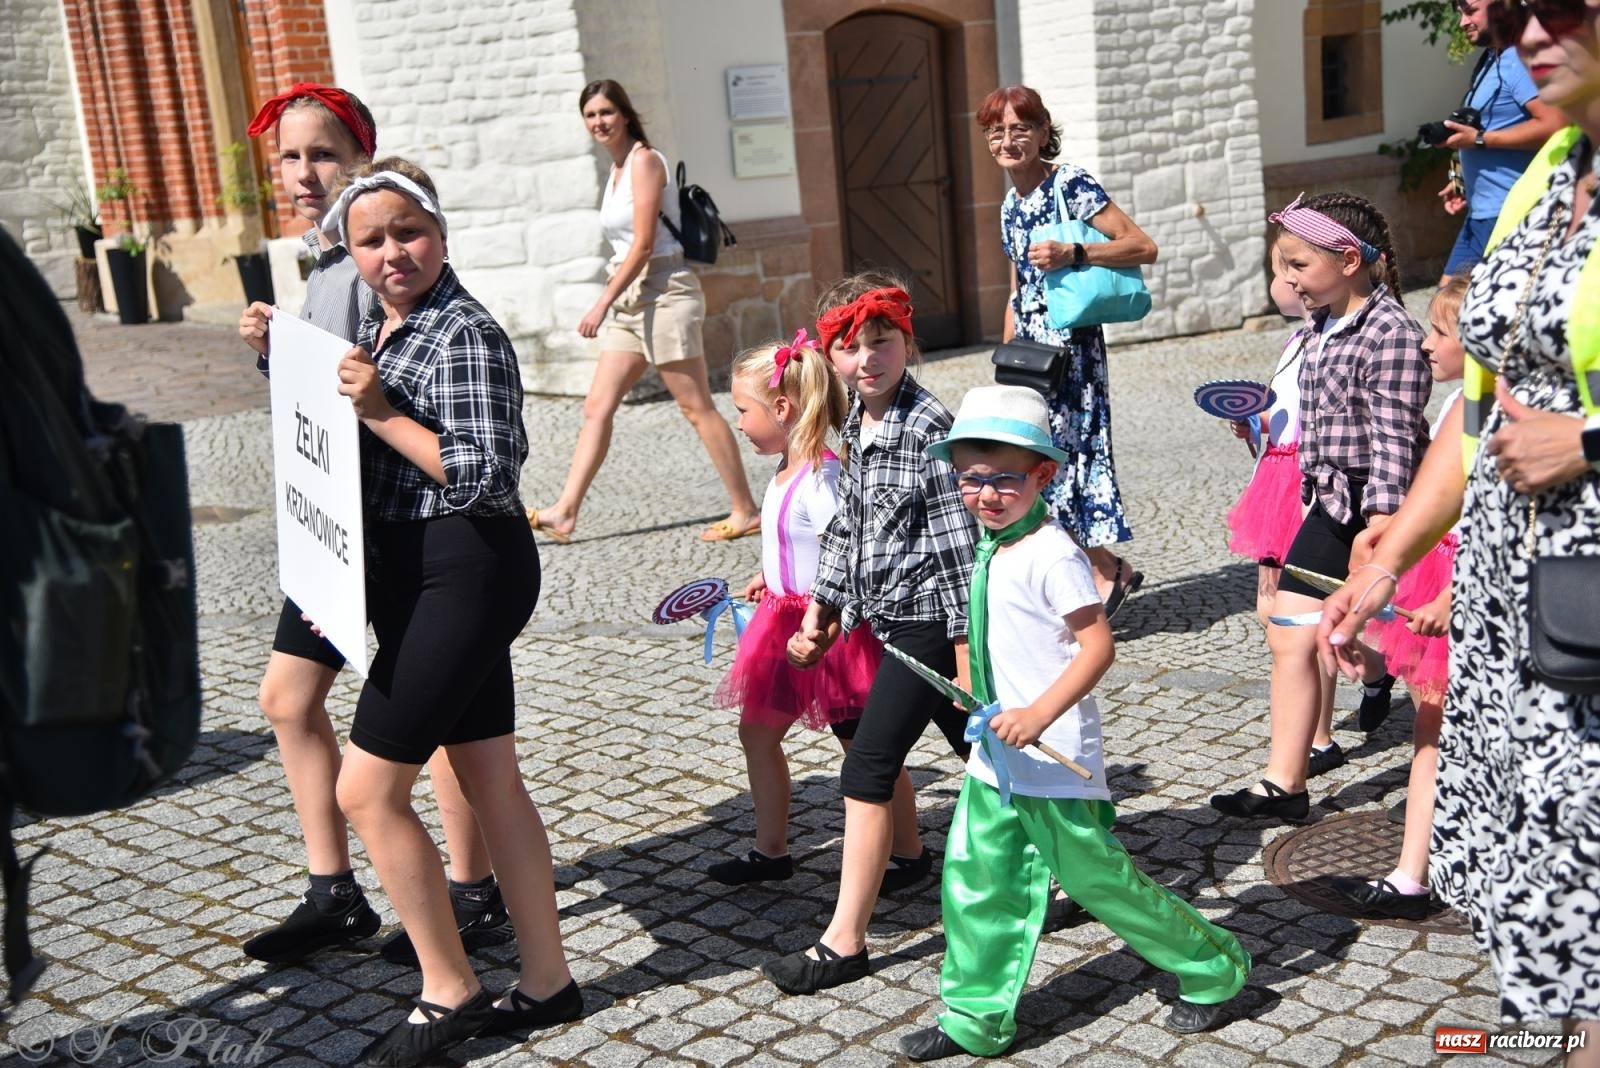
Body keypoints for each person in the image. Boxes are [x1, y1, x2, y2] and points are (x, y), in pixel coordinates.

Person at [1321, 4, 1600, 1055]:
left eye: (1566, 4)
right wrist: (1385, 563)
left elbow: (1563, 424)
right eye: (1520, 8)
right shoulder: (1546, 172)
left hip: (1588, 610)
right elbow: (1478, 413)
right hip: (1511, 608)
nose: (1533, 28)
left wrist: (1591, 441)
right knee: (1535, 903)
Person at [235, 84, 508, 968]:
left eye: (322, 153)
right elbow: (323, 401)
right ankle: (338, 888)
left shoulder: (369, 264)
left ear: (363, 162)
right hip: (334, 530)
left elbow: (392, 406)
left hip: (392, 534)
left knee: (445, 724)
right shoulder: (321, 264)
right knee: (292, 700)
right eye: (289, 156)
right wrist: (276, 358)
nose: (304, 171)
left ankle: (468, 889)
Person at [897, 386, 1252, 1062]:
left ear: (1043, 476)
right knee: (976, 880)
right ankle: (975, 1017)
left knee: (1098, 881)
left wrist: (1038, 714)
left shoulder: (1052, 552)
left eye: (1005, 479)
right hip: (996, 754)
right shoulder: (992, 546)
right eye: (972, 479)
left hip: (1052, 751)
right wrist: (977, 692)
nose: (986, 493)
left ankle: (1213, 970)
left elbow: (1098, 647)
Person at [319, 161, 579, 1065]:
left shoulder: (463, 330)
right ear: (347, 253)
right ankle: (549, 983)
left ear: (439, 232)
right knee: (487, 776)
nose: (392, 253)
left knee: (364, 787)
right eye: (371, 241)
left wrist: (381, 409)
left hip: (464, 566)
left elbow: (482, 474)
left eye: (407, 233)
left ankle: (449, 985)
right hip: (425, 570)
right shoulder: (385, 323)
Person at [761, 274, 978, 994]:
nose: (868, 360)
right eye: (851, 349)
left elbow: (955, 548)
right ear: (834, 359)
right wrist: (823, 611)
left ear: (907, 342)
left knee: (867, 768)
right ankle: (1071, 873)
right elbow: (849, 528)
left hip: (927, 623)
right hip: (885, 621)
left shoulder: (926, 427)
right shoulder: (859, 422)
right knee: (993, 758)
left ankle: (844, 940)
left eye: (881, 343)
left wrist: (962, 652)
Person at [1210, 192, 1431, 823]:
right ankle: (1286, 782)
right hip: (1330, 505)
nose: (1290, 281)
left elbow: (1394, 440)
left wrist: (1382, 532)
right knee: (1288, 630)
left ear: (1349, 260)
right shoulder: (1321, 324)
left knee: (1419, 652)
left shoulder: (1389, 333)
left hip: (1380, 511)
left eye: (1299, 266)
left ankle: (1449, 773)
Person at [707, 331, 917, 884]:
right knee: (756, 732)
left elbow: (846, 552)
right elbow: (795, 542)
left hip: (829, 630)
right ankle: (771, 850)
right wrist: (769, 574)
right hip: (781, 623)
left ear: (782, 408)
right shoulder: (784, 470)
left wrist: (818, 607)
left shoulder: (823, 478)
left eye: (742, 411)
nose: (739, 422)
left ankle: (909, 851)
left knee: (865, 746)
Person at [527, 79, 760, 545]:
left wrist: (600, 302)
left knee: (695, 407)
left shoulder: (644, 162)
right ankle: (565, 513)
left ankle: (745, 510)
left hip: (666, 291)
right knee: (597, 406)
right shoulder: (615, 170)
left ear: (626, 114)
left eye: (606, 113)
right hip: (634, 298)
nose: (599, 122)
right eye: (590, 115)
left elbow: (645, 243)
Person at [978, 85, 1158, 617]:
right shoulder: (1010, 203)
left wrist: (1074, 251)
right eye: (996, 130)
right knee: (1036, 455)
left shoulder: (1070, 182)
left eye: (1019, 128)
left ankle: (1101, 571)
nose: (1008, 140)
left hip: (1072, 349)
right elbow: (1017, 285)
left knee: (1066, 459)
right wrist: (1007, 354)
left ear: (1040, 133)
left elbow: (1142, 245)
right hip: (1031, 352)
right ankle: (1100, 571)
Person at [1328, 277, 1469, 921]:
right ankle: (1413, 871)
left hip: (1466, 589)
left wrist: (1450, 592)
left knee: (1442, 730)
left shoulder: (1486, 411)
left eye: (1441, 332)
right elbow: (1433, 501)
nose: (1426, 344)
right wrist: (1384, 541)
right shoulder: (1456, 407)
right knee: (1430, 728)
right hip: (1437, 577)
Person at [1435, 0, 1566, 282]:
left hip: (1511, 214)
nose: (1462, 23)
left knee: (1460, 315)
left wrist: (1480, 139)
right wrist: (1462, 183)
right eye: (1460, 13)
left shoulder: (1519, 59)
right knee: (1443, 313)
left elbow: (1554, 124)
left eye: (1471, 11)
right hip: (1480, 216)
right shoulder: (1492, 59)